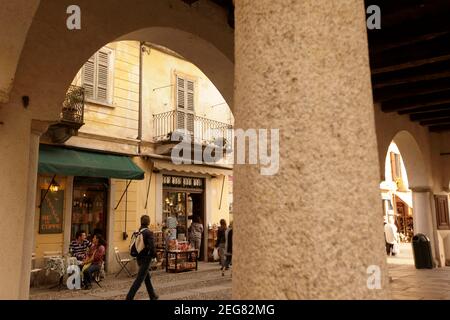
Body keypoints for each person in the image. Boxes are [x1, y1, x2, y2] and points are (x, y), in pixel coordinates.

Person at [126, 215, 159, 300]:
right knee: (139, 280)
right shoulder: (148, 232)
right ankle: (129, 297)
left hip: (138, 258)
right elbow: (152, 247)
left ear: (141, 221)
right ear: (148, 222)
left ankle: (153, 296)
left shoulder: (137, 232)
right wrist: (155, 256)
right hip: (146, 258)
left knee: (146, 278)